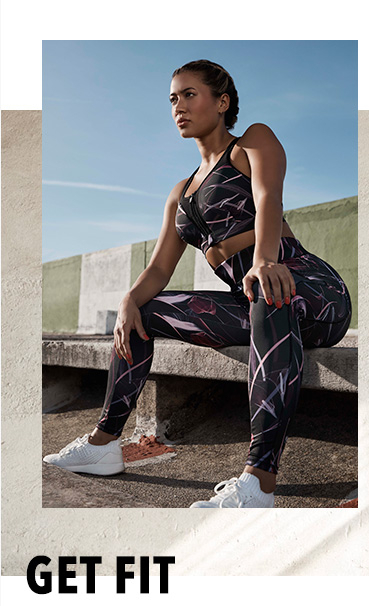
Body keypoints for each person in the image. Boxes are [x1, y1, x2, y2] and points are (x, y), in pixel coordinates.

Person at [43, 59, 352, 508]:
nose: (178, 107)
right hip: (255, 304)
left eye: (190, 94)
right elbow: (159, 270)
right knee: (143, 314)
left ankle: (260, 479)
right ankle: (104, 442)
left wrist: (265, 259)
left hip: (310, 290)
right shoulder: (180, 193)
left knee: (266, 289)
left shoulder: (252, 143)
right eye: (173, 98)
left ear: (222, 102)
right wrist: (129, 300)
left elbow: (269, 197)